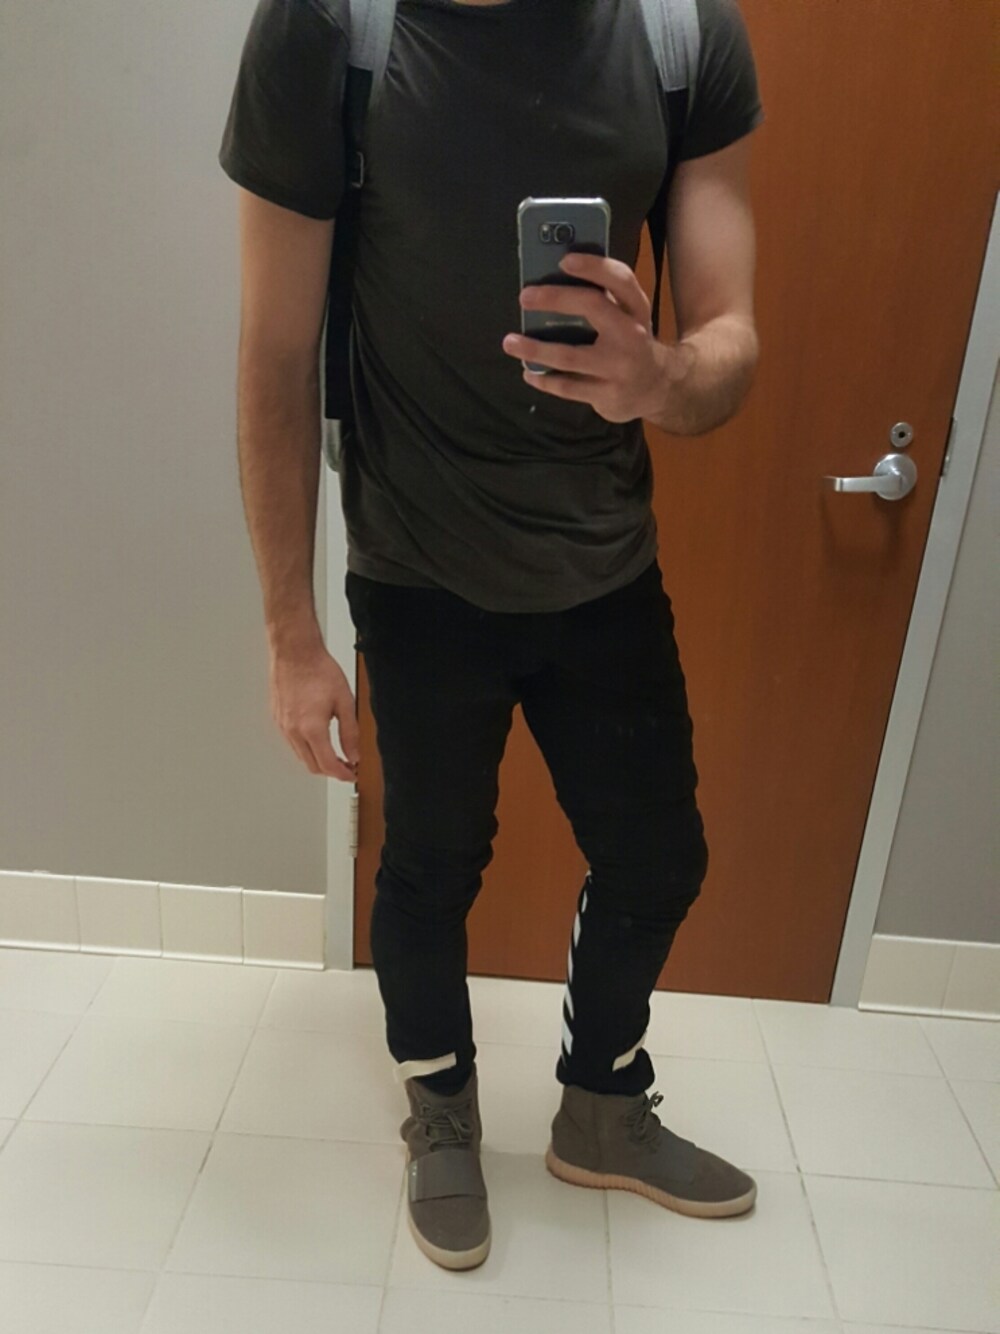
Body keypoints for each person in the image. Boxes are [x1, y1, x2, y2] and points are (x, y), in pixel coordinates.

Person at [219, 0, 766, 1273]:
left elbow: (731, 335)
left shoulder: (682, 34)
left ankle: (601, 1104)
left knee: (659, 856)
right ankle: (442, 1107)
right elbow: (274, 352)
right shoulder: (331, 29)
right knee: (429, 867)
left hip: (603, 563)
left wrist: (661, 377)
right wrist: (290, 632)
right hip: (417, 573)